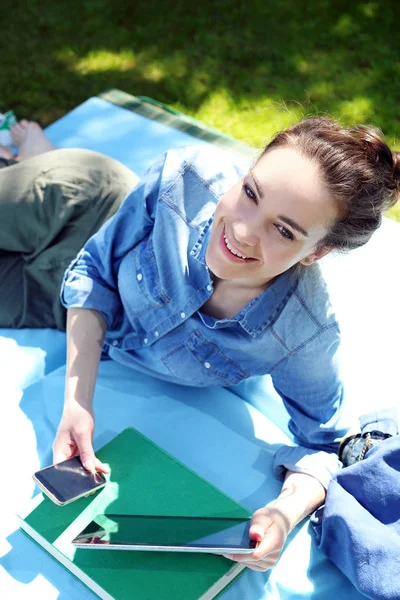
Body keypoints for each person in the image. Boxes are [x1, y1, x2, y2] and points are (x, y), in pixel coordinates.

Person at [1, 116, 399, 573]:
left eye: (284, 230)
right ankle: (36, 156)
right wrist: (78, 401)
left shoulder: (302, 334)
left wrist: (283, 514)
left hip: (53, 305)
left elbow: (325, 445)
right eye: (250, 192)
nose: (244, 232)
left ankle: (26, 156)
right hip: (77, 205)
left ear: (317, 251)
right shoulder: (185, 178)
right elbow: (93, 270)